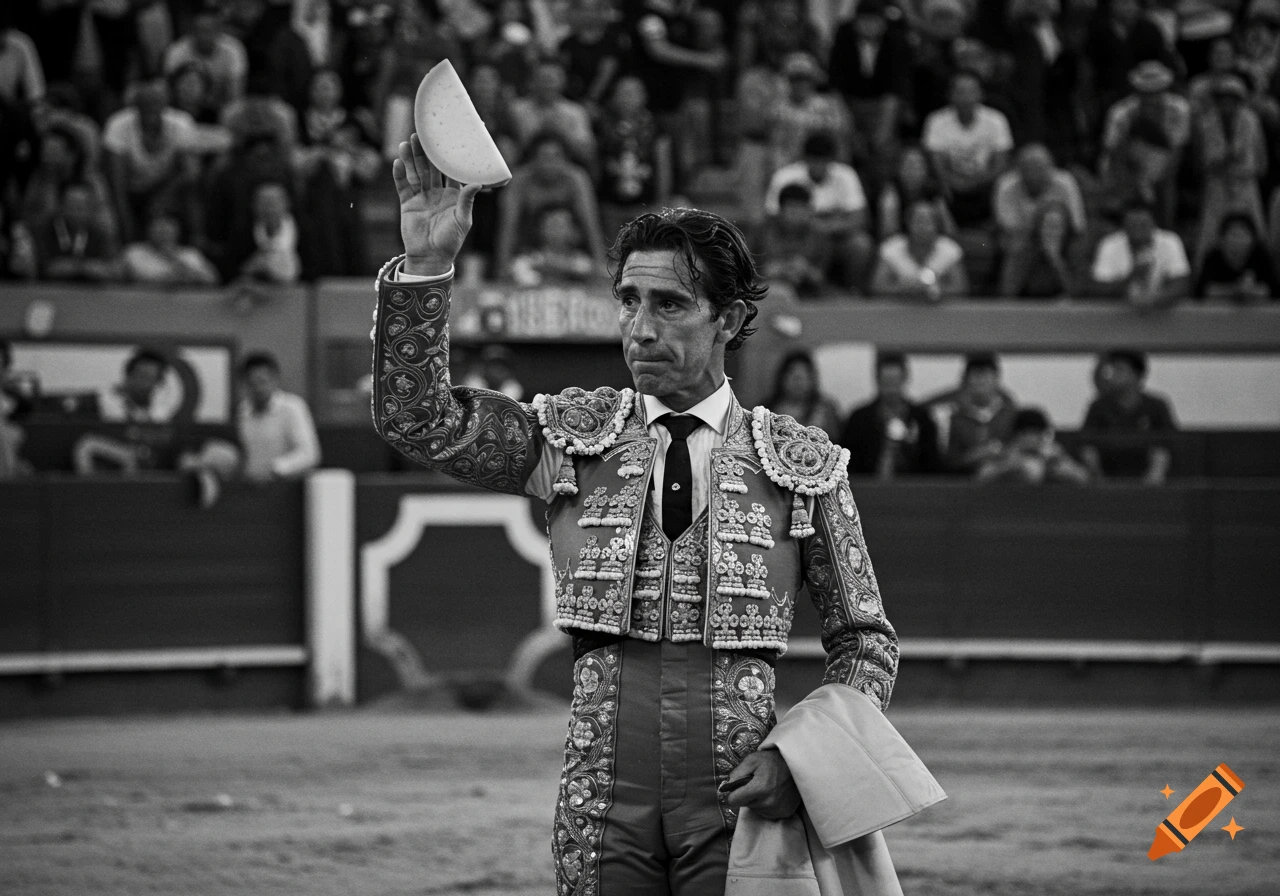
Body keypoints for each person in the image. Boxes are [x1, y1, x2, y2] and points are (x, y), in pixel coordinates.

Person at [372, 133, 901, 894]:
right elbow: (416, 419)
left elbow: (865, 642)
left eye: (670, 304)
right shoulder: (570, 440)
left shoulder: (799, 463)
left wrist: (805, 762)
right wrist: (427, 263)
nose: (641, 328)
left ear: (727, 318)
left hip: (741, 799)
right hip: (601, 800)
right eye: (628, 300)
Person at [763, 132, 874, 289]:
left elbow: (859, 219)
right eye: (814, 161)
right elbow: (772, 216)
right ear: (805, 159)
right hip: (794, 237)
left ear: (832, 160)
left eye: (823, 161)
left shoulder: (846, 175)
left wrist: (822, 226)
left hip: (835, 239)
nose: (818, 166)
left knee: (860, 245)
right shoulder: (785, 176)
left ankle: (852, 291)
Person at [993, 143, 1087, 298]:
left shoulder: (1066, 182)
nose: (1034, 175)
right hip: (1024, 238)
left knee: (1079, 250)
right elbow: (1007, 228)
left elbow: (1077, 225)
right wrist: (1041, 230)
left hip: (1066, 239)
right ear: (1019, 171)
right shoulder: (1006, 185)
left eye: (1040, 169)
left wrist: (1055, 255)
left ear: (1051, 168)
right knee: (1016, 249)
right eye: (1028, 169)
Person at [921, 70, 1013, 227]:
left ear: (981, 94)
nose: (966, 97)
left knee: (1005, 182)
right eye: (960, 91)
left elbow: (1001, 164)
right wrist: (953, 181)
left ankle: (997, 228)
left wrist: (976, 182)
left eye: (971, 91)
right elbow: (936, 164)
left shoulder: (996, 120)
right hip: (949, 186)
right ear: (950, 95)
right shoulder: (936, 121)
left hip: (986, 185)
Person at [1079, 349, 1177, 484]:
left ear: (1136, 375)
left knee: (1160, 455)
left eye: (1120, 370)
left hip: (1147, 473)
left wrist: (1153, 478)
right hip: (1108, 472)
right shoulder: (1099, 406)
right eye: (1112, 370)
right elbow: (1086, 444)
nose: (1113, 375)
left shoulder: (1156, 405)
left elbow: (1168, 443)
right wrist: (1099, 479)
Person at [840, 352, 939, 479]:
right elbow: (847, 464)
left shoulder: (922, 418)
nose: (891, 389)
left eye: (895, 382)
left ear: (905, 379)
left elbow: (933, 465)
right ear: (877, 380)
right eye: (886, 382)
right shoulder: (859, 419)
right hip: (867, 491)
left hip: (914, 491)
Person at [928, 352, 1018, 475]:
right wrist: (974, 456)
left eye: (986, 375)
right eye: (975, 375)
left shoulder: (1011, 414)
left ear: (997, 378)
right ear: (966, 380)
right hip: (964, 483)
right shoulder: (952, 416)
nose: (980, 381)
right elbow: (948, 461)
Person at [237, 352, 321, 483]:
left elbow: (309, 454)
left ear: (275, 380)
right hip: (248, 487)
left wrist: (275, 469)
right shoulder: (240, 412)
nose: (258, 389)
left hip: (286, 488)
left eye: (262, 382)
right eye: (252, 383)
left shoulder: (292, 408)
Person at [1091, 199, 1191, 307]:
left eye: (1143, 225)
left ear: (1153, 224)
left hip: (1160, 314)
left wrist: (1155, 299)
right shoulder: (1109, 245)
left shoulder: (1170, 241)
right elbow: (1099, 289)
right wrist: (1132, 276)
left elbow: (1181, 284)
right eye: (1133, 225)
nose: (1138, 230)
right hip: (1118, 315)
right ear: (1124, 225)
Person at [869, 198, 968, 300]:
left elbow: (960, 288)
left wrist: (934, 290)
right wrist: (906, 290)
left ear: (937, 225)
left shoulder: (950, 249)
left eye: (928, 222)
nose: (922, 227)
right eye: (918, 221)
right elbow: (877, 287)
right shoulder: (890, 248)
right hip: (898, 311)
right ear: (908, 223)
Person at [32, 182, 122, 283]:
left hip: (90, 293)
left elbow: (112, 269)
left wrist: (78, 267)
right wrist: (84, 267)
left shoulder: (98, 230)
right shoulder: (46, 229)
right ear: (61, 206)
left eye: (82, 206)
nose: (77, 211)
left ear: (91, 208)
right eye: (72, 205)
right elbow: (44, 267)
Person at [976, 407, 1091, 485]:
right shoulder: (1005, 453)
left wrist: (1059, 467)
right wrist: (1009, 467)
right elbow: (981, 477)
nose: (1033, 439)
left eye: (1038, 434)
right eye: (1028, 434)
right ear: (1018, 435)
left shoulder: (1051, 453)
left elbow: (1083, 477)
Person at [760, 183, 835, 296]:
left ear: (809, 210)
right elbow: (747, 273)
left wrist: (806, 270)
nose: (797, 215)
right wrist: (771, 271)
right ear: (780, 210)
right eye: (792, 209)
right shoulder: (762, 233)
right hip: (770, 290)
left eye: (802, 209)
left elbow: (823, 277)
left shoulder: (820, 236)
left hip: (809, 292)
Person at [876, 144, 955, 240]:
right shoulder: (891, 192)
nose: (913, 171)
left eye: (918, 166)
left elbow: (949, 231)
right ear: (899, 169)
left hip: (930, 243)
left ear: (926, 170)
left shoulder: (934, 191)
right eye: (908, 165)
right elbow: (887, 234)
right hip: (900, 244)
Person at [1195, 211, 1279, 301]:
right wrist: (1235, 290)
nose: (1238, 241)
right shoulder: (1213, 257)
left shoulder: (1261, 256)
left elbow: (1272, 290)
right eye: (1234, 235)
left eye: (1243, 235)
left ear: (1253, 239)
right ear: (1221, 239)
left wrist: (1251, 290)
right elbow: (1203, 290)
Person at [510, 206, 596, 287]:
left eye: (561, 226)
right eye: (552, 225)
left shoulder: (583, 261)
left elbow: (588, 273)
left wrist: (551, 267)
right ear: (540, 230)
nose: (556, 231)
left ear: (574, 231)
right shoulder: (525, 261)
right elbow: (522, 277)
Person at [764, 350, 842, 439]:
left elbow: (837, 443)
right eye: (793, 375)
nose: (798, 382)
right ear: (781, 377)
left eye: (804, 375)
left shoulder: (825, 410)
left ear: (813, 379)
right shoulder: (767, 410)